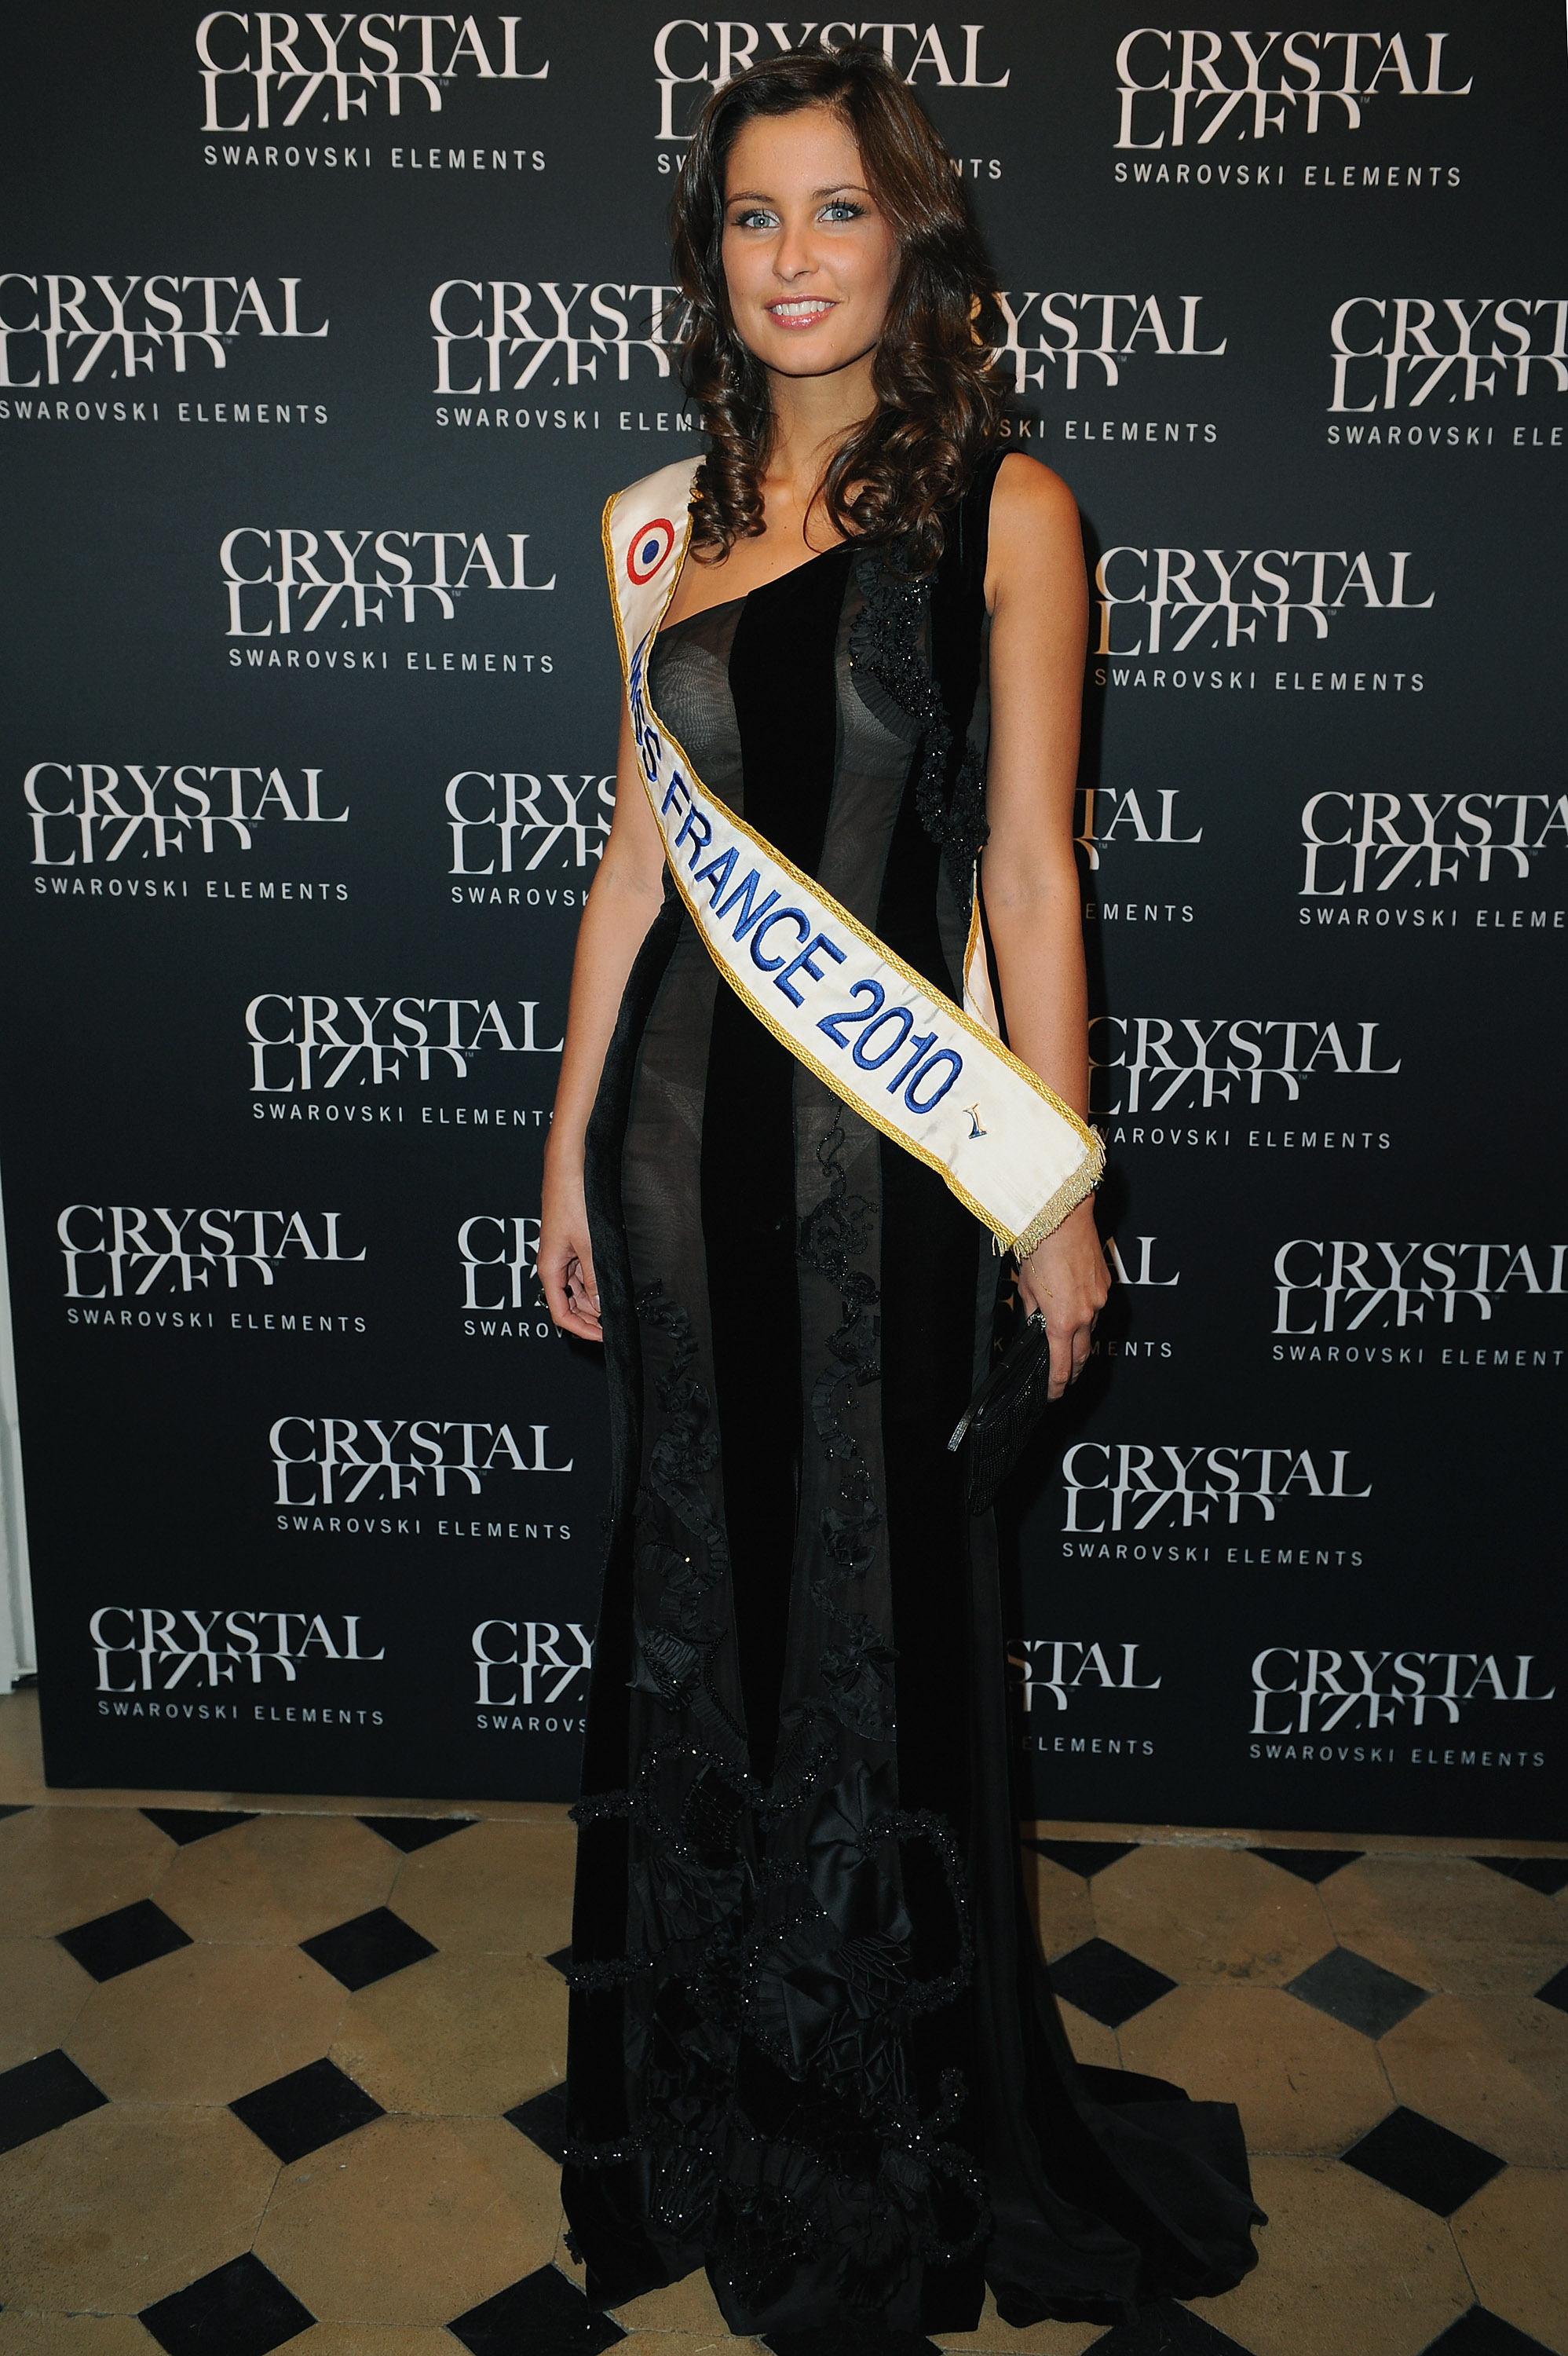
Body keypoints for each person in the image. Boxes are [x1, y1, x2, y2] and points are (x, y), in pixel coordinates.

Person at [538, 45, 1262, 2344]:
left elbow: (1031, 873)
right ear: (712, 255)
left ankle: (890, 2130)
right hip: (675, 1161)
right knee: (706, 1602)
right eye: (753, 216)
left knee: (879, 1626)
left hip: (893, 1178)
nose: (793, 258)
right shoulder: (667, 526)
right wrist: (563, 1148)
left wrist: (1057, 1187)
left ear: (912, 238)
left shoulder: (1008, 509)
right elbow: (636, 870)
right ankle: (700, 2104)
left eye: (836, 210)